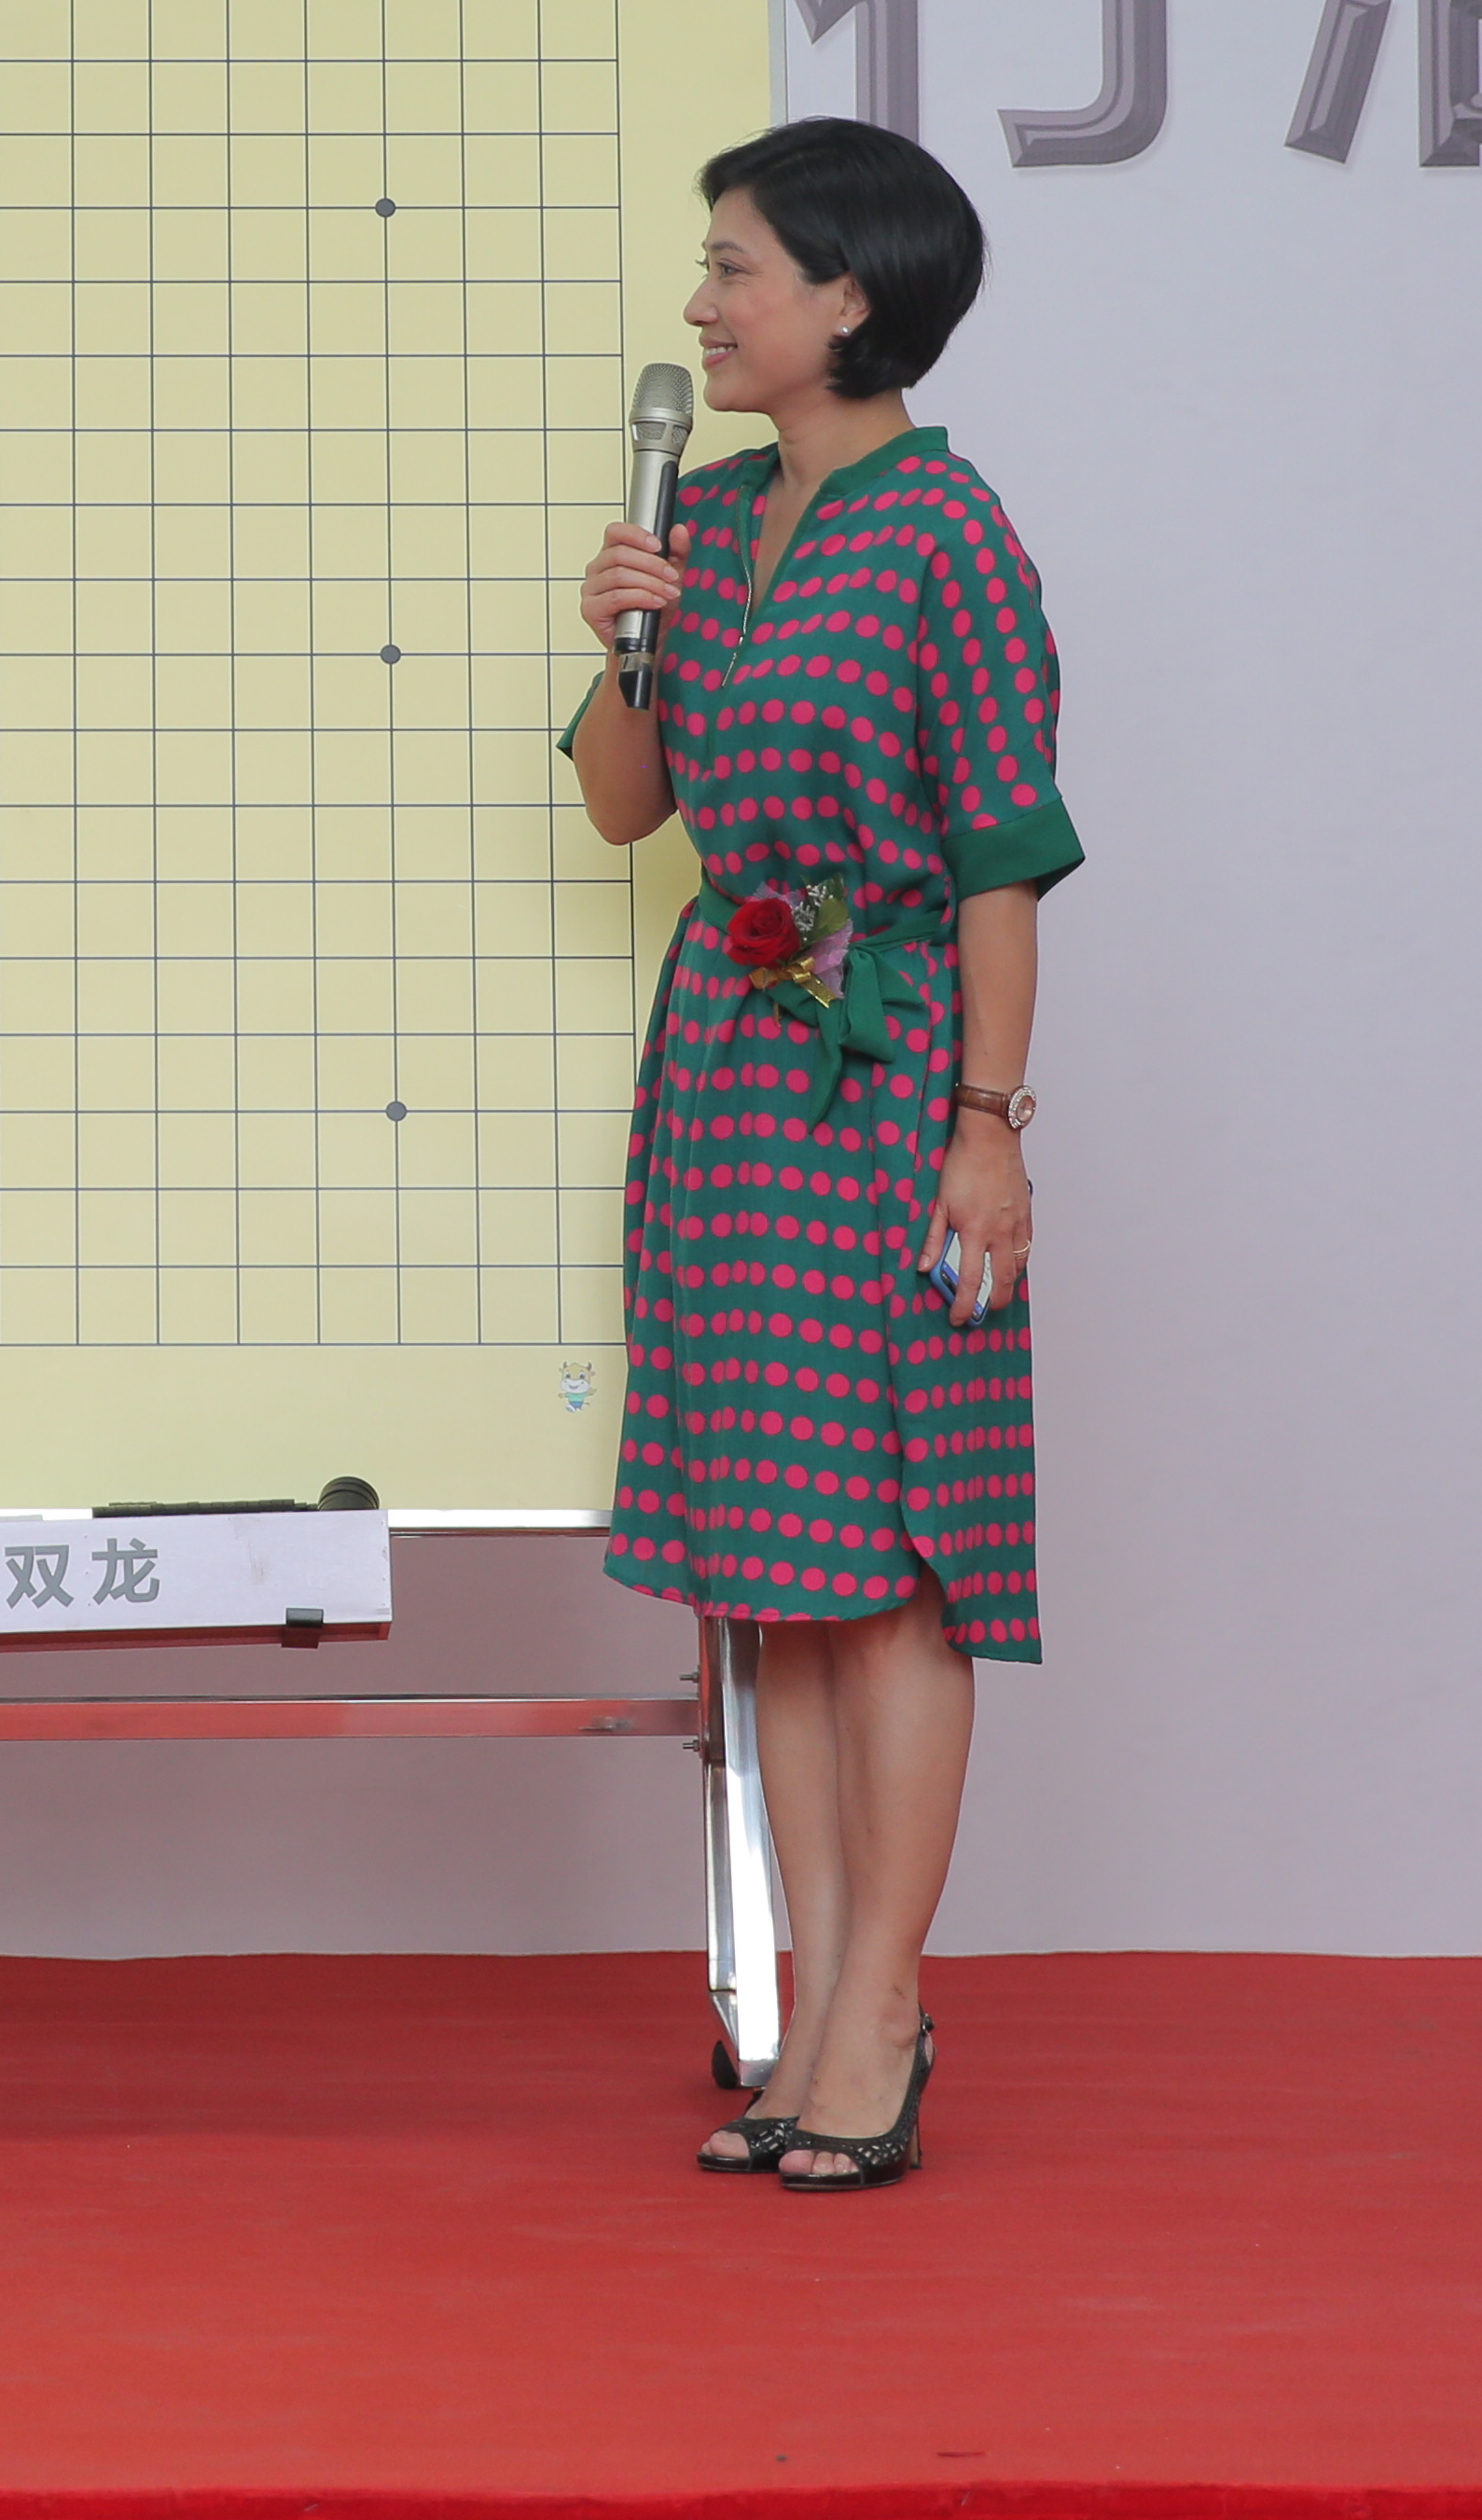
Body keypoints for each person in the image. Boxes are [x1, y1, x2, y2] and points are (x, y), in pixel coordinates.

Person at [565, 117, 1079, 2196]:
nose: (700, 306)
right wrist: (622, 636)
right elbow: (629, 808)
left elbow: (1001, 865)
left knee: (890, 1574)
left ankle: (882, 2009)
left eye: (735, 269)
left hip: (893, 1079)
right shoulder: (699, 517)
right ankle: (808, 2006)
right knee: (774, 1580)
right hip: (730, 1068)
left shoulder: (947, 535)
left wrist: (986, 1132)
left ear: (849, 298)